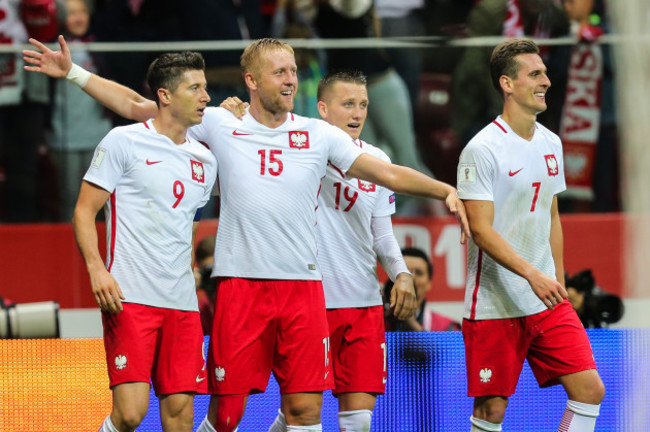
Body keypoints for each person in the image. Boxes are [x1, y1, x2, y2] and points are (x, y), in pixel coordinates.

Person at [23, 36, 470, 432]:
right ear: (251, 81)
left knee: (305, 410)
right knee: (227, 415)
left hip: (302, 289)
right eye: (279, 72)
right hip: (240, 287)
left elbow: (387, 172)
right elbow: (139, 107)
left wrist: (444, 188)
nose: (291, 79)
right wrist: (75, 73)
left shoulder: (317, 134)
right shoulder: (219, 123)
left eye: (294, 70)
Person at [456, 38, 604, 432]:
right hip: (494, 302)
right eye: (535, 74)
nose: (547, 81)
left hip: (546, 297)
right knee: (491, 412)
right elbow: (481, 232)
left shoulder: (550, 142)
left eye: (544, 72)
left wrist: (557, 276)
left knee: (590, 390)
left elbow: (551, 216)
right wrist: (531, 274)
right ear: (507, 83)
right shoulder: (481, 149)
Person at [70, 51, 216, 432]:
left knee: (181, 416)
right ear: (165, 95)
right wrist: (96, 269)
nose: (206, 97)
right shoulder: (123, 141)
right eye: (195, 88)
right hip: (130, 297)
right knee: (130, 414)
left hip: (182, 305)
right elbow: (84, 211)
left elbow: (190, 223)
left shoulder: (206, 159)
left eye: (206, 87)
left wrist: (189, 270)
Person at [48, 0, 113, 221]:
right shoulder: (51, 51)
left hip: (99, 135)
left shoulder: (100, 46)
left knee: (102, 198)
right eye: (71, 13)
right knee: (69, 197)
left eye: (83, 11)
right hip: (63, 137)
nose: (78, 18)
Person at [383, 247, 461, 332]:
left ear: (429, 282)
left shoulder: (447, 328)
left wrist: (412, 323)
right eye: (405, 272)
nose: (411, 278)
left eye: (419, 273)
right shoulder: (378, 323)